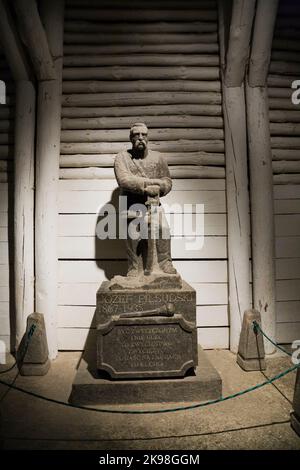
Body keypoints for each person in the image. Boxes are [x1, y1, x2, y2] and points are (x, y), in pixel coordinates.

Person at [114, 122, 177, 277]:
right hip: (131, 204)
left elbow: (167, 180)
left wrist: (161, 187)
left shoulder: (158, 158)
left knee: (163, 229)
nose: (140, 138)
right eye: (136, 135)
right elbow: (124, 180)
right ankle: (134, 267)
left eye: (144, 135)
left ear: (148, 138)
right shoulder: (122, 158)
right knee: (133, 232)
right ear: (131, 138)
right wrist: (149, 185)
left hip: (154, 203)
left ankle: (164, 263)